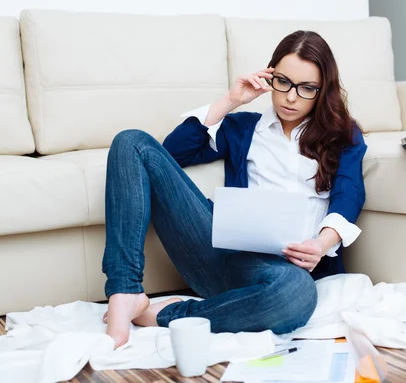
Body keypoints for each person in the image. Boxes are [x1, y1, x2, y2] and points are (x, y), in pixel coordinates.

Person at [101, 30, 368, 348]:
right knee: (131, 141)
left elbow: (349, 193)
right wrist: (230, 100)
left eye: (307, 88)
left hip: (283, 273)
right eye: (283, 82)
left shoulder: (343, 136)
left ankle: (170, 315)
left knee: (296, 294)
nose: (291, 97)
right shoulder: (243, 128)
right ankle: (125, 291)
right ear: (269, 77)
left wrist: (322, 244)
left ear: (323, 91)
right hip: (218, 255)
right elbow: (171, 155)